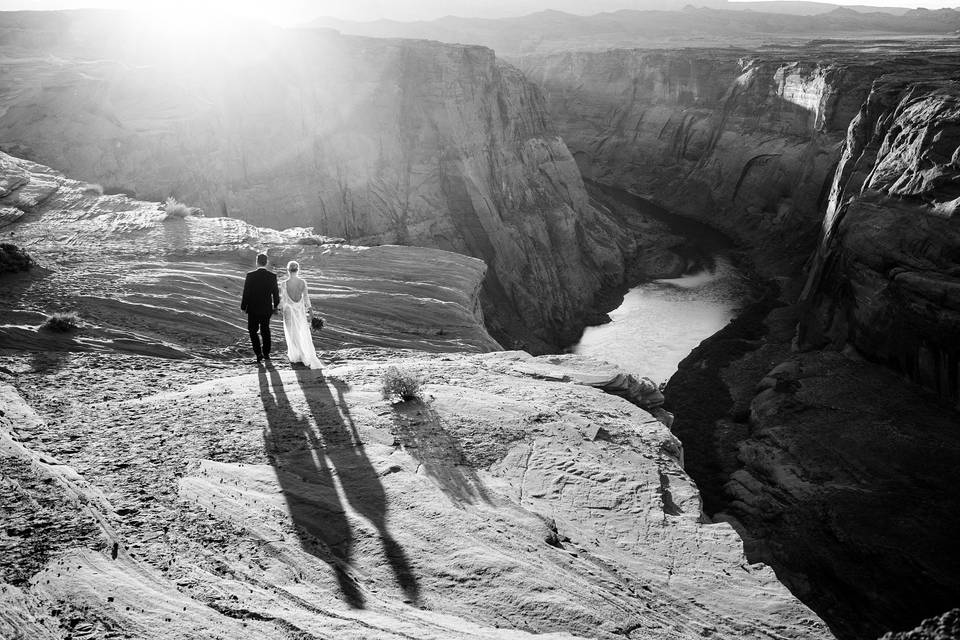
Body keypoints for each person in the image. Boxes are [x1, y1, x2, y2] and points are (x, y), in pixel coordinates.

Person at [279, 260, 322, 369]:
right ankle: (303, 354)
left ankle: (300, 355)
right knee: (301, 331)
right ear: (298, 270)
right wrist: (311, 313)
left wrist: (276, 308)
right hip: (299, 312)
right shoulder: (302, 282)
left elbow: (283, 301)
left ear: (288, 270)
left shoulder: (284, 284)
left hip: (288, 312)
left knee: (292, 334)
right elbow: (307, 299)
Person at [240, 253, 279, 365]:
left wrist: (243, 307)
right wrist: (276, 306)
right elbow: (275, 294)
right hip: (266, 308)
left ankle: (258, 354)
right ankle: (266, 353)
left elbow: (246, 293)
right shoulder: (272, 276)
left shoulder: (250, 275)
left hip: (253, 308)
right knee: (265, 330)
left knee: (253, 331)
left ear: (257, 262)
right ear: (266, 262)